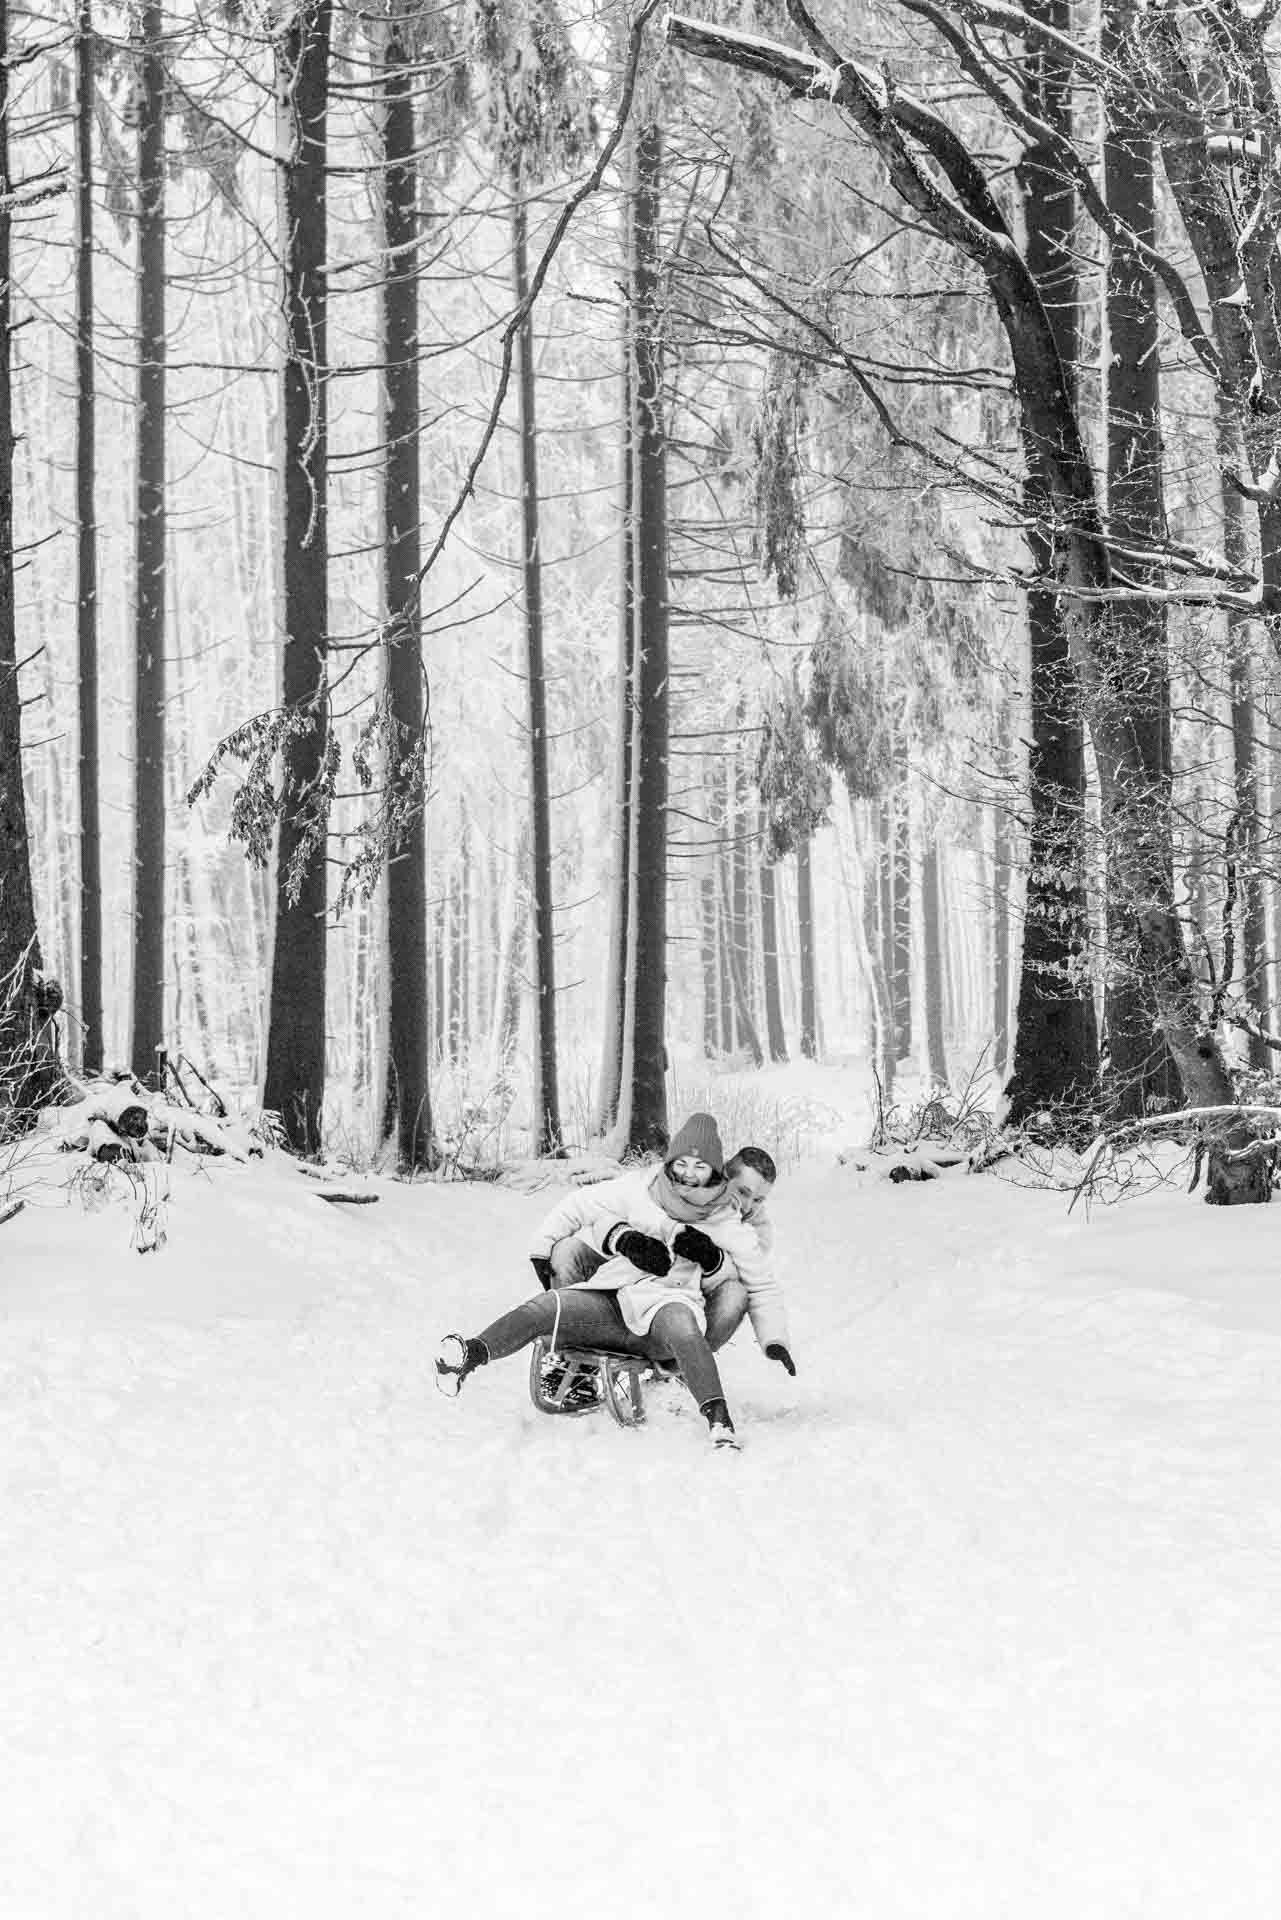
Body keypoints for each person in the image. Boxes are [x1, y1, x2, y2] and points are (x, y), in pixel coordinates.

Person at [435, 1114, 781, 1449]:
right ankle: (470, 1354)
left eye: (700, 1166)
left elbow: (755, 1280)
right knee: (548, 1306)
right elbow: (596, 1213)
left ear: (715, 1171)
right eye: (682, 1163)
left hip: (667, 1308)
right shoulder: (648, 1189)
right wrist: (622, 1239)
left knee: (683, 1324)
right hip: (617, 1297)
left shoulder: (728, 1220)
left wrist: (770, 1333)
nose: (689, 1174)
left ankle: (718, 1419)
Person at [526, 1135, 793, 1373]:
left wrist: (775, 1340)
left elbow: (760, 1285)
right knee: (566, 1250)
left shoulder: (751, 1232)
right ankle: (571, 1360)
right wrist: (624, 1239)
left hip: (681, 1309)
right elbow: (589, 1204)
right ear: (724, 1174)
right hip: (628, 1287)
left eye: (758, 1200)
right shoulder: (663, 1183)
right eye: (743, 1192)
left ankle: (681, 1365)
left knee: (736, 1293)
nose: (748, 1205)